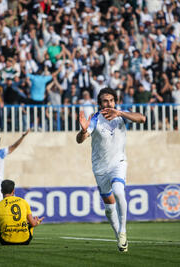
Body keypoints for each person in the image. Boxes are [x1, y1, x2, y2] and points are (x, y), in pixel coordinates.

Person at [76, 87, 146, 252]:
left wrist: (120, 113)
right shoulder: (95, 118)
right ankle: (119, 238)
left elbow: (142, 118)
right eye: (105, 101)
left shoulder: (122, 115)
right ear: (100, 104)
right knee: (109, 207)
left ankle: (123, 231)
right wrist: (84, 130)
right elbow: (80, 140)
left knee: (119, 191)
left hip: (118, 163)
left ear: (115, 101)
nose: (109, 104)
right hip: (100, 168)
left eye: (111, 100)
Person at [0, 179, 44, 245]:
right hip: (25, 241)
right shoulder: (24, 202)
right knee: (28, 222)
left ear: (1, 191)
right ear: (13, 191)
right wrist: (37, 221)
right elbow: (33, 224)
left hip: (5, 241)